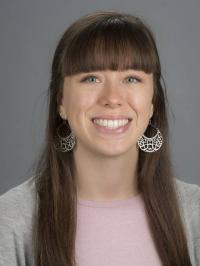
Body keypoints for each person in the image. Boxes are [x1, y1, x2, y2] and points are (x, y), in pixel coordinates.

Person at [0, 10, 199, 266]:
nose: (112, 98)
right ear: (61, 101)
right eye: (91, 78)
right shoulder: (11, 219)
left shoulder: (195, 214)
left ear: (152, 103)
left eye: (131, 78)